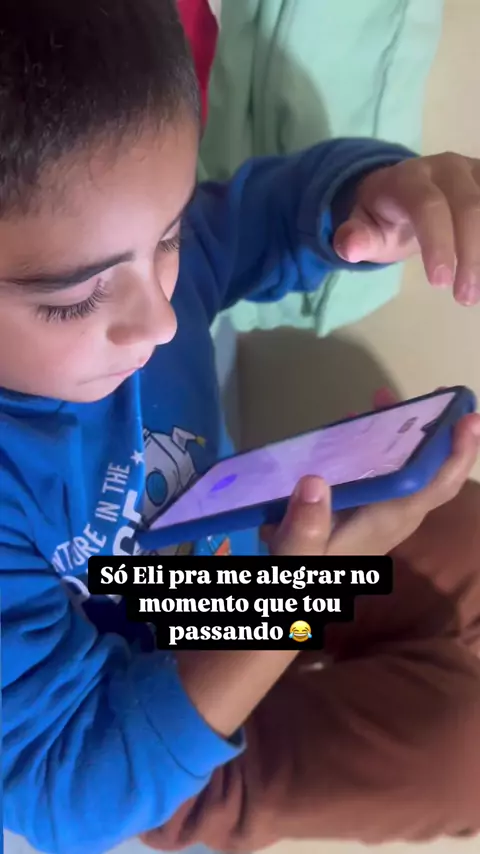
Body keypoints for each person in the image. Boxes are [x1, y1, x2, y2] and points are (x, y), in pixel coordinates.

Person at [2, 2, 480, 853]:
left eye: (168, 235)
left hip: (240, 556)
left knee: (467, 531)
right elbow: (65, 783)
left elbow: (261, 217)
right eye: (75, 298)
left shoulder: (147, 270)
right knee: (460, 756)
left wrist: (369, 193)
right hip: (139, 707)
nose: (161, 322)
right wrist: (295, 596)